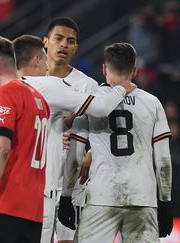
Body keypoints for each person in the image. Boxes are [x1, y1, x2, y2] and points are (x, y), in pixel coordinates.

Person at [11, 34, 136, 242]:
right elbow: (101, 108)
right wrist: (123, 87)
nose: (47, 66)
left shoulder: (0, 91)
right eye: (44, 59)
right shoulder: (50, 85)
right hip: (42, 190)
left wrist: (57, 129)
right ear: (36, 60)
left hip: (11, 190)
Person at [59, 43, 173, 242]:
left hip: (101, 197)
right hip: (142, 197)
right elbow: (163, 160)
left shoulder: (91, 102)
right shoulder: (153, 103)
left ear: (104, 68)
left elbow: (76, 155)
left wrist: (66, 196)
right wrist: (165, 203)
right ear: (135, 71)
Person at [0, 36, 50, 243]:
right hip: (33, 211)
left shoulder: (6, 94)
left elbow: (1, 149)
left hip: (7, 205)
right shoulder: (39, 99)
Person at [43, 17, 97, 243]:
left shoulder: (87, 85)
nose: (64, 44)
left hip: (72, 181)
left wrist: (91, 154)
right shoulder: (31, 79)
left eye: (70, 41)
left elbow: (101, 131)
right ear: (45, 41)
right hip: (38, 178)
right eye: (59, 38)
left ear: (76, 48)